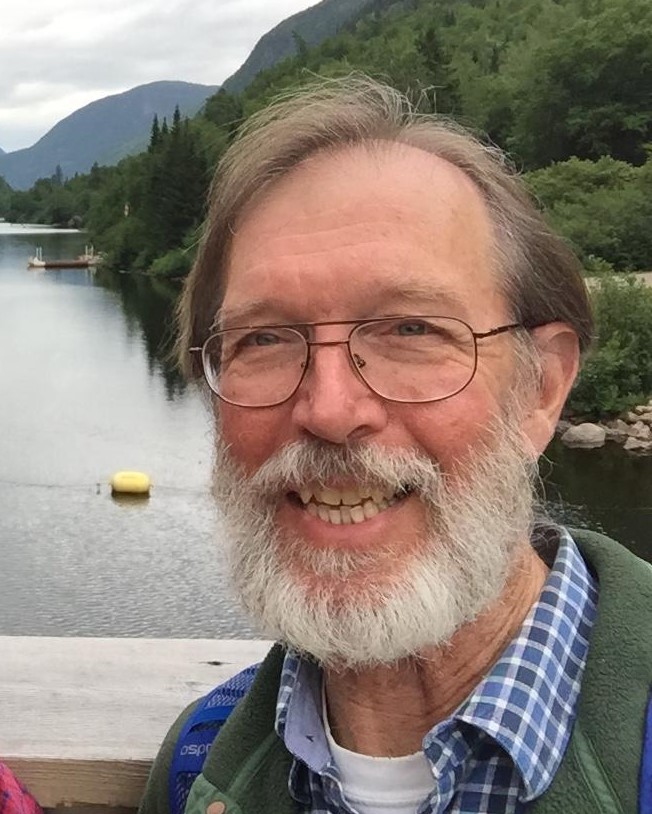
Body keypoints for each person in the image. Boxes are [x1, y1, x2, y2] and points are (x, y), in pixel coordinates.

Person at [139, 76, 652, 814]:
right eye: (265, 339)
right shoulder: (200, 765)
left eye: (411, 329)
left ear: (541, 388)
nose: (330, 410)